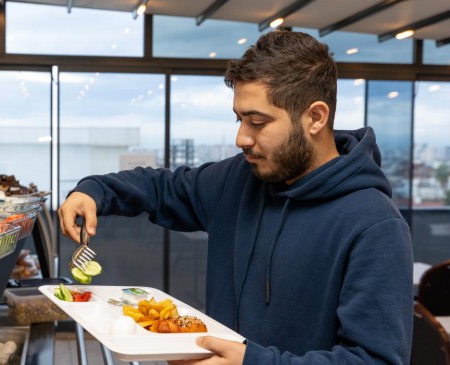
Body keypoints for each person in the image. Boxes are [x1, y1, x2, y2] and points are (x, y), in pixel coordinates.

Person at [58, 30, 413, 365]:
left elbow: (374, 359)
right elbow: (161, 187)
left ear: (316, 117)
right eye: (239, 119)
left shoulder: (374, 225)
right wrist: (94, 191)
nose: (241, 137)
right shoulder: (238, 179)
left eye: (257, 122)